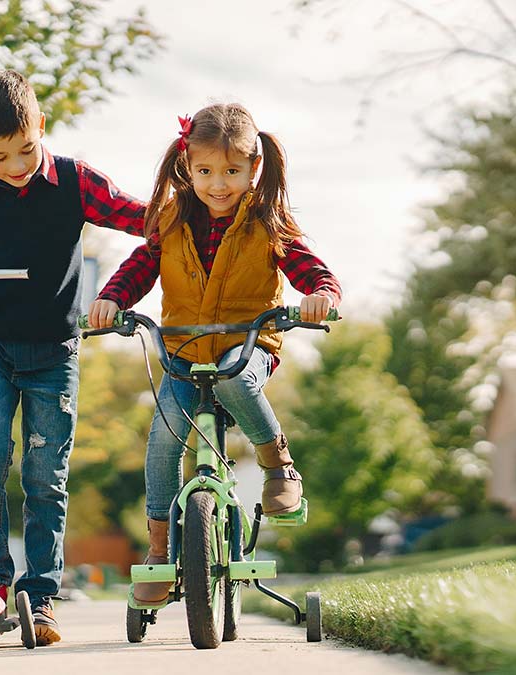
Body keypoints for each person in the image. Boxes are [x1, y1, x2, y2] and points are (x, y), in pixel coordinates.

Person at [0, 68, 145, 644]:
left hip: (54, 351)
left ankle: (40, 595)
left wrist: (192, 213)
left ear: (41, 126)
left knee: (46, 475)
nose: (17, 165)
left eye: (25, 149)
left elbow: (140, 217)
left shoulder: (74, 180)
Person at [89, 103, 342, 604]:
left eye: (231, 171)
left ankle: (278, 466)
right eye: (205, 171)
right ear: (187, 166)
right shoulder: (170, 220)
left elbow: (311, 269)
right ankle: (159, 551)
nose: (218, 184)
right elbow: (140, 267)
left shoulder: (268, 221)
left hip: (248, 347)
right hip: (183, 352)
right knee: (163, 440)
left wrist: (322, 295)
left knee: (233, 377)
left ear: (253, 168)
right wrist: (112, 299)